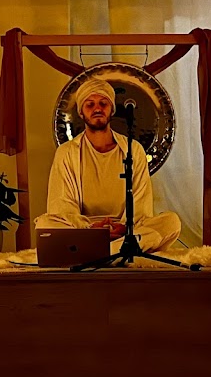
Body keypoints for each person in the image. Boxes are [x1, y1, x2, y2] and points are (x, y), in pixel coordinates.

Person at [35, 77, 182, 253]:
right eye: (90, 104)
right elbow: (62, 205)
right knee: (45, 224)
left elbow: (141, 204)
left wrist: (124, 227)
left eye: (103, 103)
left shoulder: (133, 149)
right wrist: (92, 229)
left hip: (125, 230)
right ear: (81, 112)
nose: (97, 108)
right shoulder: (66, 152)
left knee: (171, 222)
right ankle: (118, 251)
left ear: (112, 109)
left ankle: (98, 252)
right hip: (85, 230)